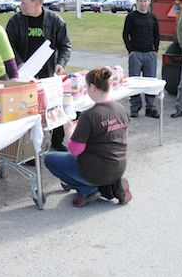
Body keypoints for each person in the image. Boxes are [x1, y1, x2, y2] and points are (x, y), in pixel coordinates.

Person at [44, 67, 132, 207]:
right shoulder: (121, 109)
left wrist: (69, 131)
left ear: (92, 87)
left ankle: (87, 189)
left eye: (86, 86)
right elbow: (121, 136)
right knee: (95, 164)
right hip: (119, 166)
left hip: (96, 169)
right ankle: (112, 186)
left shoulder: (89, 115)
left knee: (50, 159)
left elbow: (74, 150)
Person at [6, 0, 71, 151]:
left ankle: (57, 141)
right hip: (24, 73)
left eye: (24, 3)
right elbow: (8, 45)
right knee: (25, 110)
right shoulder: (15, 21)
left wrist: (61, 63)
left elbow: (65, 45)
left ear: (37, 4)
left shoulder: (54, 20)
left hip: (48, 72)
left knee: (53, 106)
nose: (21, 5)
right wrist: (18, 63)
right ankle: (27, 149)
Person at [122, 0, 160, 118]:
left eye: (145, 1)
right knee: (134, 82)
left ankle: (150, 108)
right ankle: (134, 108)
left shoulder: (153, 17)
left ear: (149, 2)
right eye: (140, 1)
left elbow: (156, 35)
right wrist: (130, 51)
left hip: (150, 54)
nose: (143, 4)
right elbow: (125, 34)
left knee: (150, 82)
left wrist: (155, 50)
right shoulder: (131, 17)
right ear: (137, 2)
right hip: (136, 54)